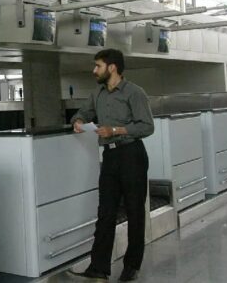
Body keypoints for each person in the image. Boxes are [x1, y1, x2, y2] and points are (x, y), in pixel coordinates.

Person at [67, 49, 154, 282]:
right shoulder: (98, 93)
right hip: (110, 157)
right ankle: (98, 268)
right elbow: (83, 112)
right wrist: (78, 121)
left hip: (132, 155)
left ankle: (131, 266)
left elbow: (147, 126)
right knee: (105, 212)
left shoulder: (134, 92)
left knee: (135, 211)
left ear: (112, 67)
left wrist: (115, 130)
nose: (94, 70)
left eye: (98, 66)